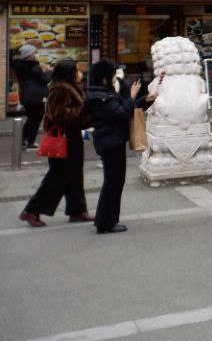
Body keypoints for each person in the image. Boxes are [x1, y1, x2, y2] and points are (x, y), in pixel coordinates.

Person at [19, 59, 89, 227]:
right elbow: (58, 114)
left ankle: (77, 209)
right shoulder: (59, 89)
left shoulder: (70, 87)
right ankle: (31, 210)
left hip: (72, 136)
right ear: (69, 72)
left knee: (74, 174)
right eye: (76, 70)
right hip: (63, 137)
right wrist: (83, 111)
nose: (79, 73)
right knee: (57, 176)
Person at [84, 59, 140, 235]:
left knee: (115, 182)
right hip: (110, 143)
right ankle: (105, 222)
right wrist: (132, 96)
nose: (114, 79)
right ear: (104, 78)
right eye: (112, 76)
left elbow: (123, 108)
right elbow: (121, 113)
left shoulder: (102, 93)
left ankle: (107, 220)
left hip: (112, 141)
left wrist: (145, 99)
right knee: (113, 183)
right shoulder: (99, 97)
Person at [13, 45, 49, 148]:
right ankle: (30, 141)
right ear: (29, 55)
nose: (36, 54)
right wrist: (49, 71)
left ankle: (22, 140)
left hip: (26, 96)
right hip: (36, 97)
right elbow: (44, 80)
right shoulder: (33, 66)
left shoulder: (21, 66)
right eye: (34, 52)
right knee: (35, 119)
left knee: (31, 119)